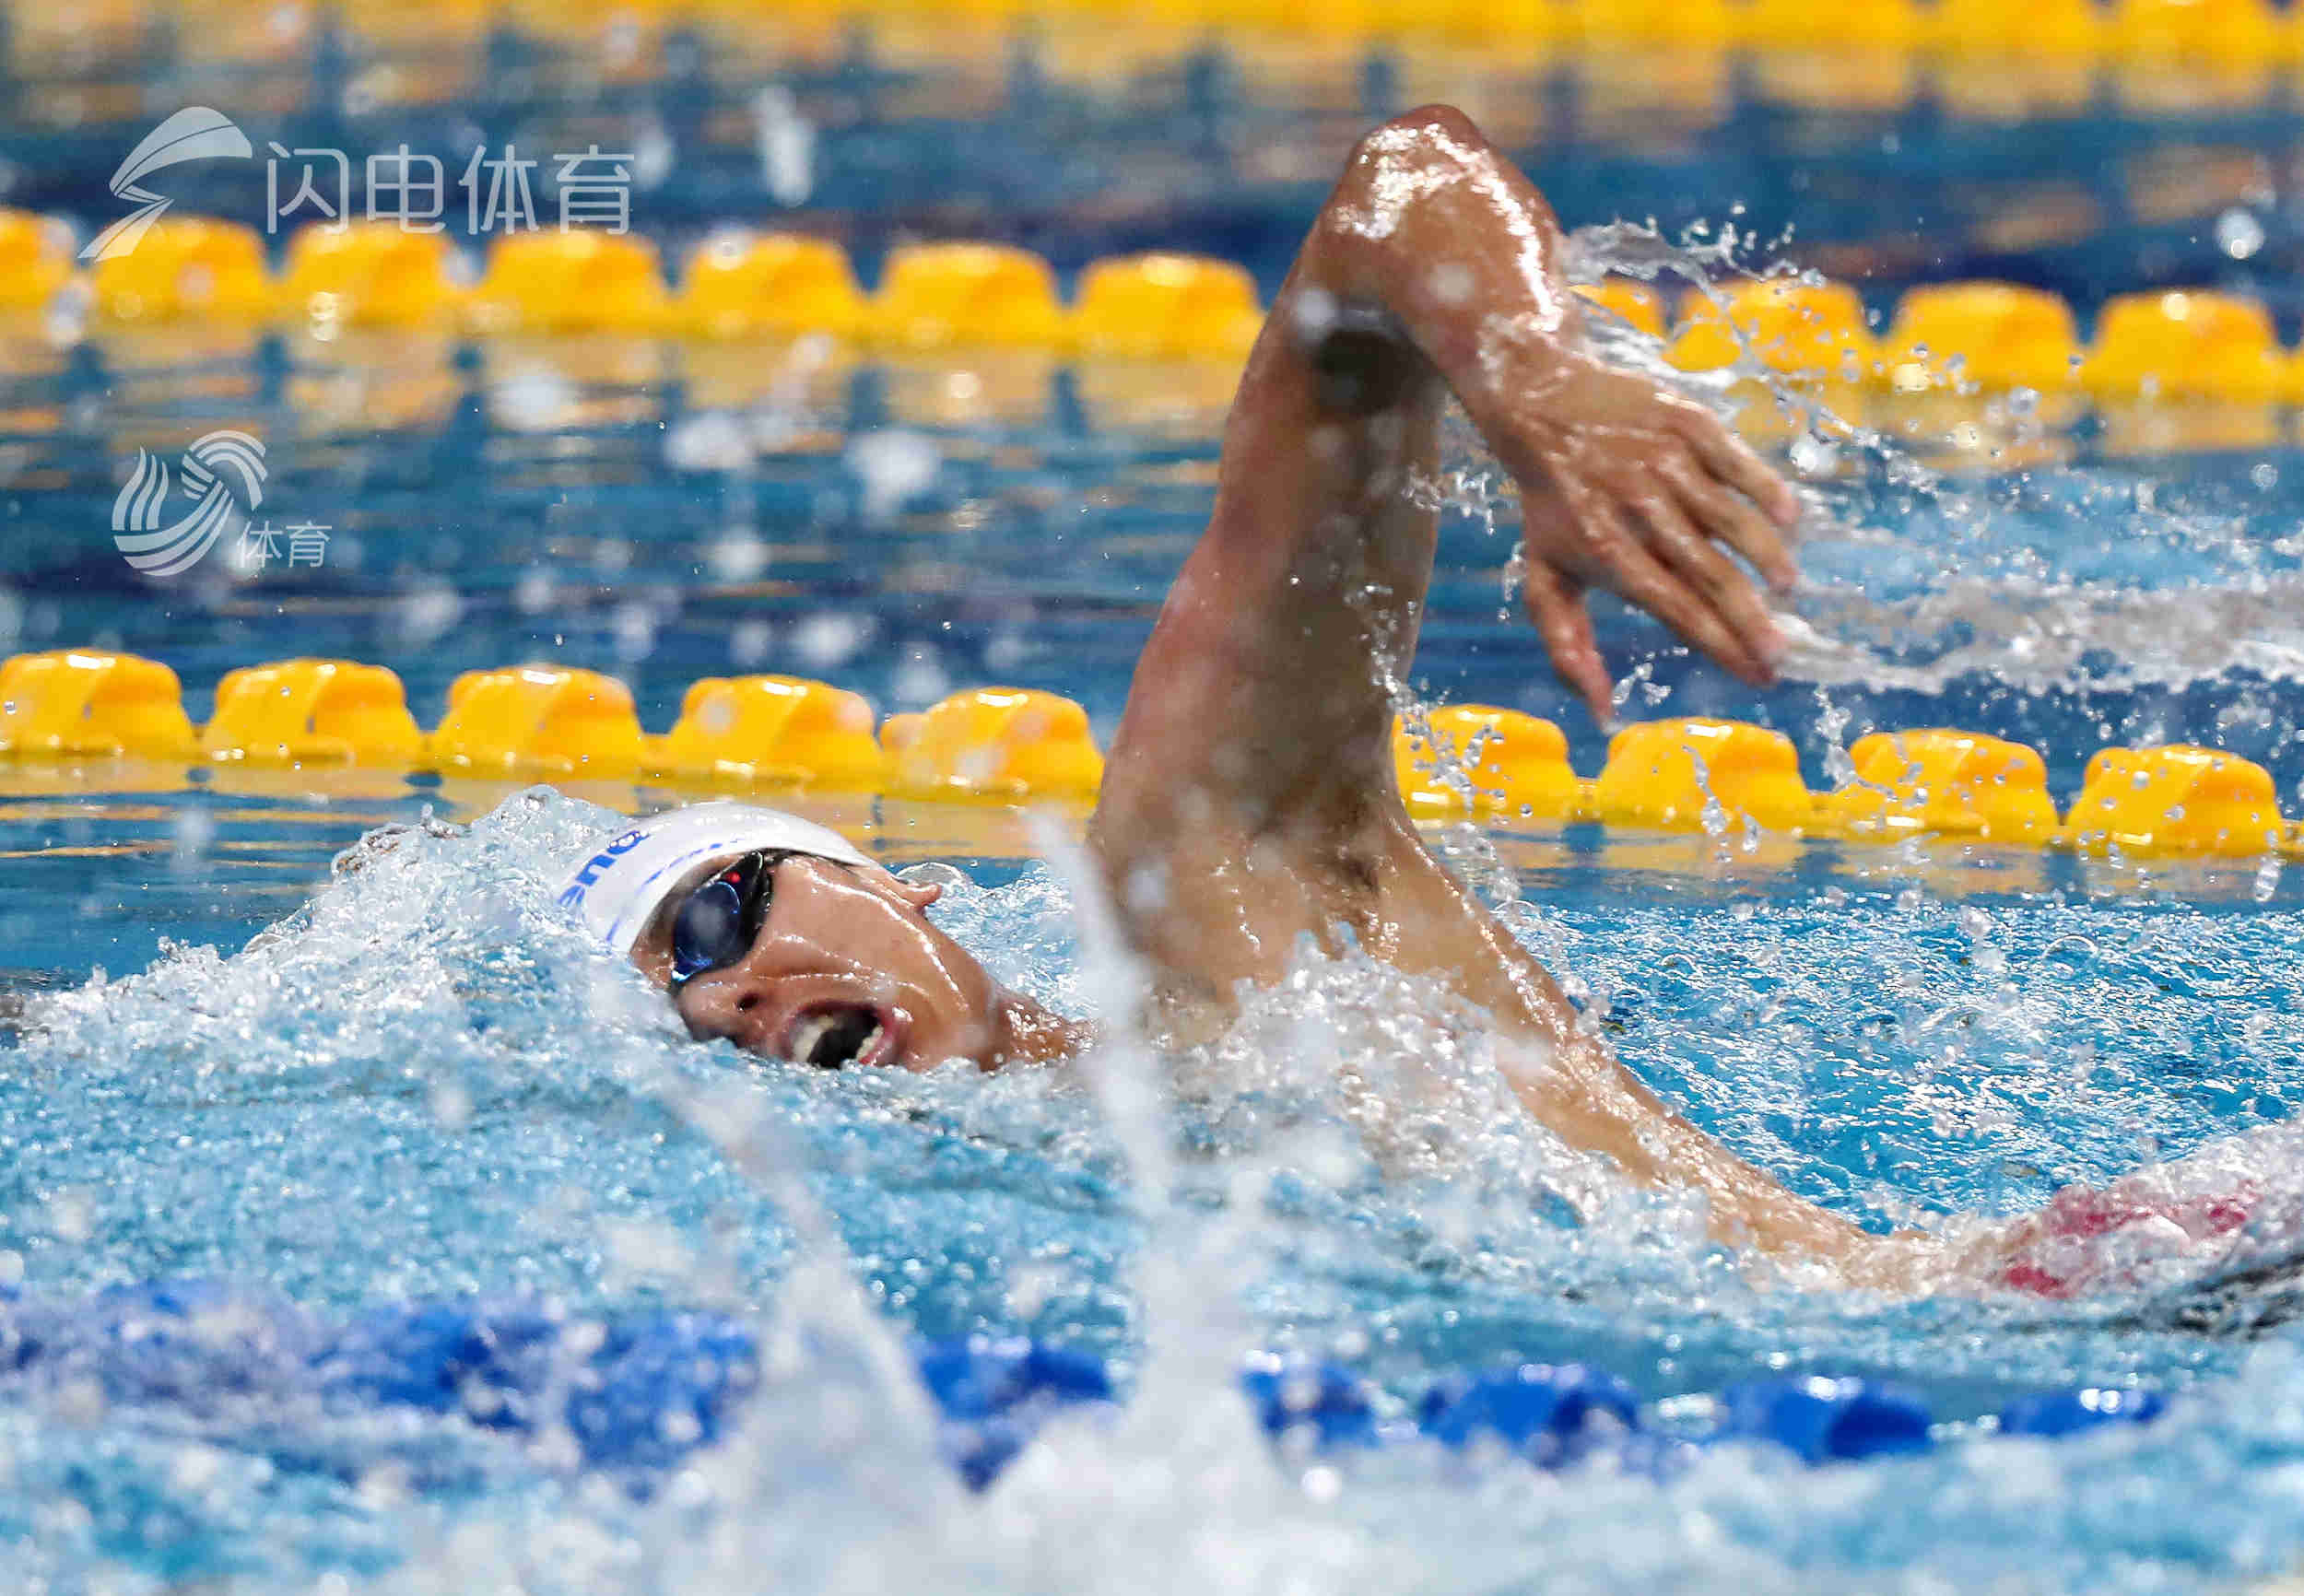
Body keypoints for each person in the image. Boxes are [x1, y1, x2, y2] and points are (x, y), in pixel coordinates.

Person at [557, 107, 2268, 1298]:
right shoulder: (1020, 1237)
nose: (726, 1001)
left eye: (715, 918)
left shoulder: (1210, 899)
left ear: (886, 876)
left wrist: (1535, 380)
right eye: (674, 1015)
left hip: (2095, 1292)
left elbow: (1395, 192)